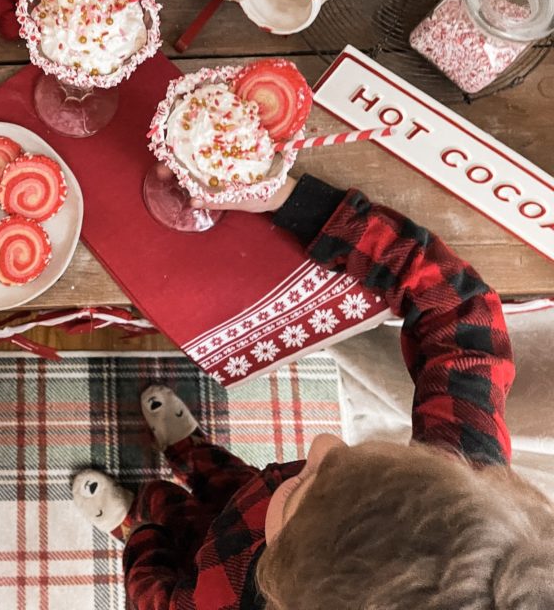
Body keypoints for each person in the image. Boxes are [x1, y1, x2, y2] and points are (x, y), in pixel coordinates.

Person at [72, 173, 554, 609]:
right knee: (226, 482)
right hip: (248, 502)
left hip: (199, 574)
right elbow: (457, 305)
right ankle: (191, 453)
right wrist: (293, 200)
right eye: (365, 458)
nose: (324, 444)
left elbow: (161, 599)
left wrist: (145, 550)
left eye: (308, 484)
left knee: (161, 531)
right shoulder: (461, 496)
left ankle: (135, 518)